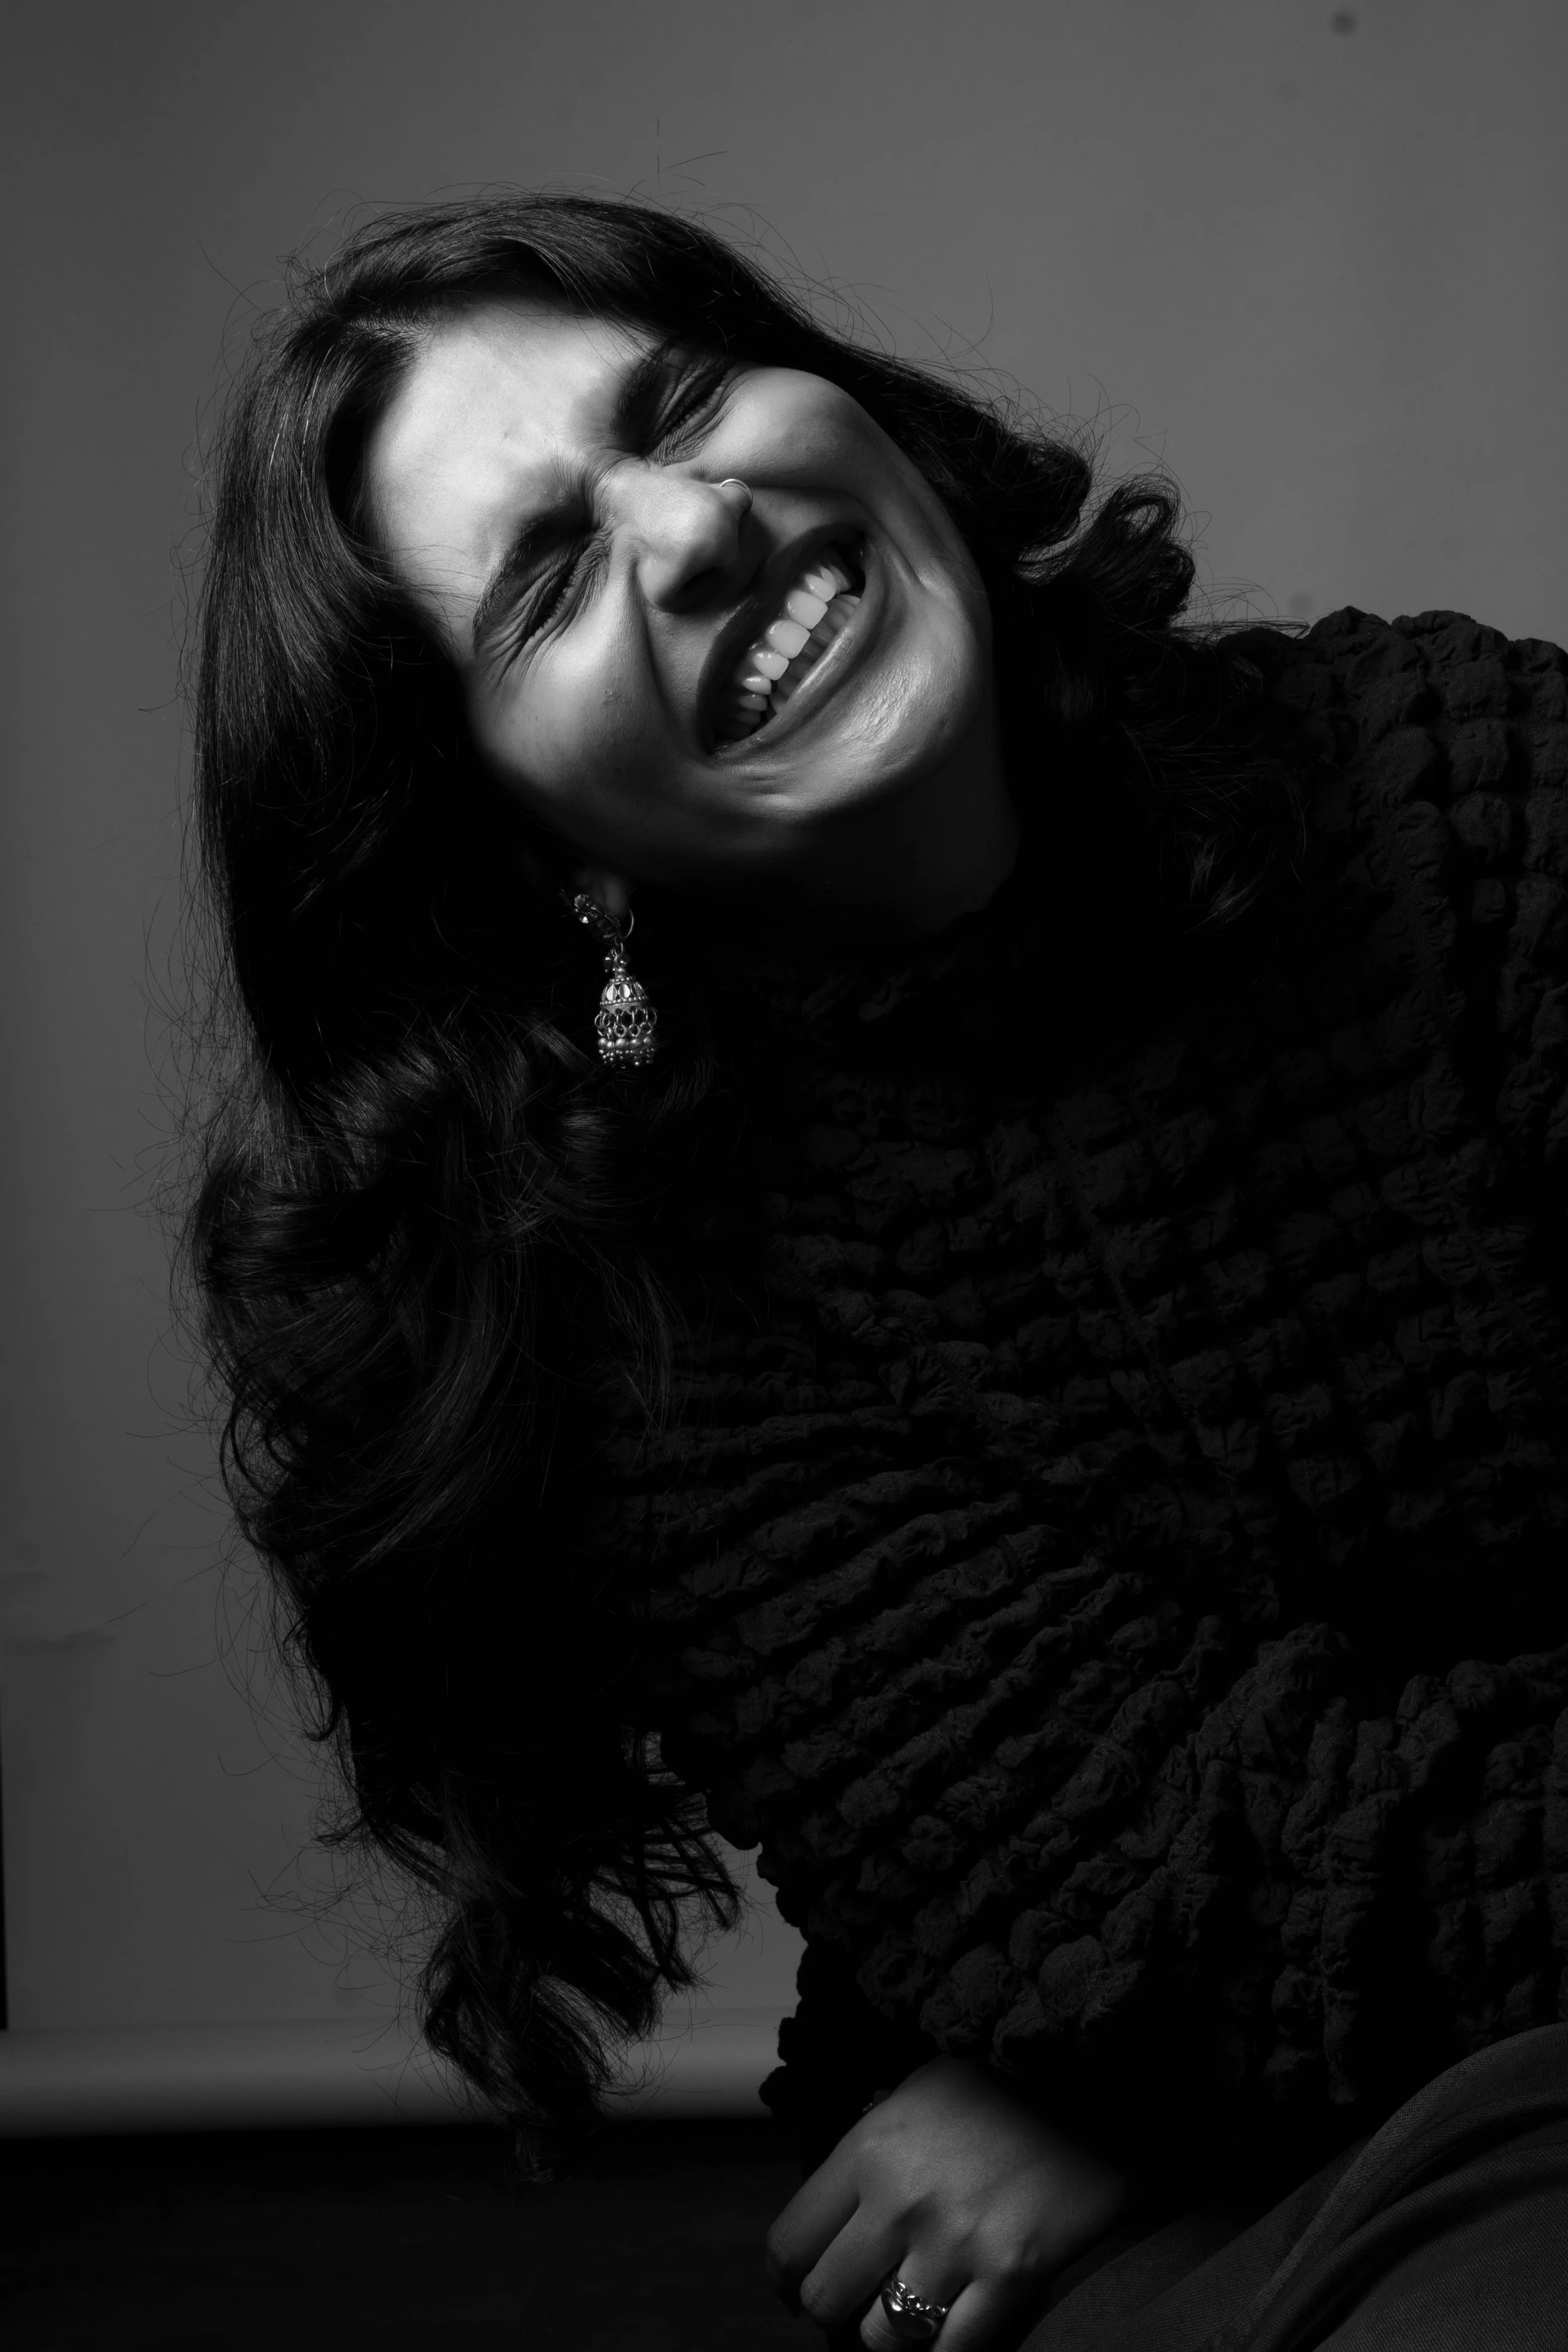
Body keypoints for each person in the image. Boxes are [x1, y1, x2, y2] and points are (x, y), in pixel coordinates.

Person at [186, 193, 1568, 2347]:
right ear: (533, 844)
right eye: (550, 575)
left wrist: (1135, 2069)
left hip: (1148, 2095)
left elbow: (1284, 1929)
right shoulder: (628, 1303)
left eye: (682, 405)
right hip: (1249, 2166)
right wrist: (1162, 2058)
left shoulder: (1462, 788)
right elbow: (1219, 1918)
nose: (700, 525)